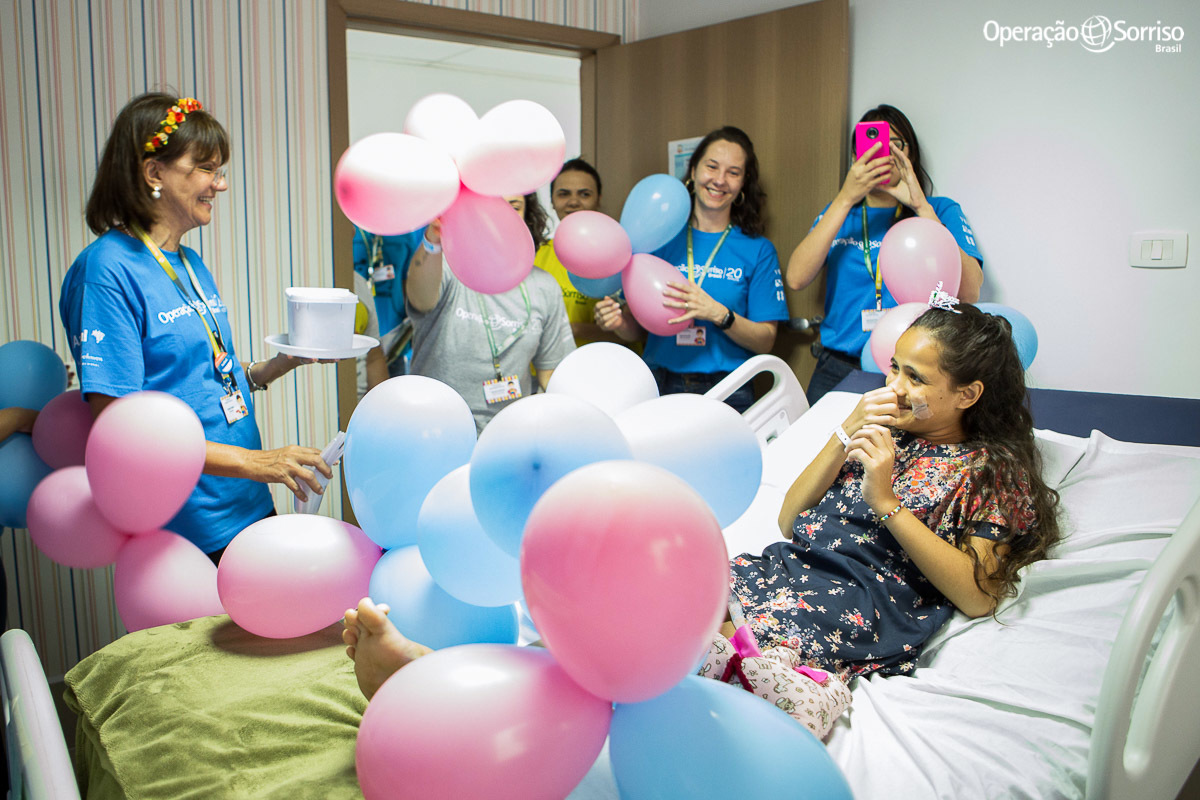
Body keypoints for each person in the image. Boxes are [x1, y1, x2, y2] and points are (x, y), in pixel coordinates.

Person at [342, 301, 1062, 743]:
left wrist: (887, 503)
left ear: (969, 393)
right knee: (632, 608)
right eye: (894, 367)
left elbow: (977, 594)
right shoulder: (879, 430)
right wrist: (842, 435)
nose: (892, 387)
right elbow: (791, 517)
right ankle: (469, 683)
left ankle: (453, 693)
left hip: (848, 609)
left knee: (685, 661)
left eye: (915, 378)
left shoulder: (991, 471)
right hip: (776, 571)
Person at [59, 93, 333, 563]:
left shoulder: (188, 261)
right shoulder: (105, 271)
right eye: (206, 168)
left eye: (219, 170)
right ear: (154, 173)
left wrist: (275, 366)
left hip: (247, 499)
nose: (219, 184)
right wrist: (257, 462)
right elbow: (118, 429)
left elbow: (202, 376)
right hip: (189, 524)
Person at [787, 104, 985, 404]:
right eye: (874, 143)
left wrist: (920, 206)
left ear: (910, 154)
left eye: (896, 144)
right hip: (837, 366)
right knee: (824, 437)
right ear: (856, 156)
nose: (884, 153)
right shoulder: (839, 213)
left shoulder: (940, 210)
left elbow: (969, 292)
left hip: (915, 371)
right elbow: (796, 278)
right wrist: (846, 198)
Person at [594, 126, 789, 413]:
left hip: (729, 390)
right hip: (659, 384)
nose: (719, 180)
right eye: (712, 166)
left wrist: (719, 314)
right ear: (694, 170)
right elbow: (638, 330)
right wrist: (618, 323)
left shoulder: (758, 250)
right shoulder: (658, 239)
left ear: (744, 183)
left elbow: (765, 341)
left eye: (733, 172)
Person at [405, 193, 574, 432]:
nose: (502, 216)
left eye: (514, 207)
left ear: (527, 216)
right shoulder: (448, 268)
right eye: (493, 206)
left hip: (509, 434)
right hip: (436, 430)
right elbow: (420, 298)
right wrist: (433, 240)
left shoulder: (543, 286)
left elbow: (551, 372)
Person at [533, 159, 625, 347]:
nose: (573, 202)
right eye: (563, 194)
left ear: (598, 199)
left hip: (604, 361)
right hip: (546, 364)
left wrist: (575, 329)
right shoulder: (535, 254)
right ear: (552, 201)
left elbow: (637, 333)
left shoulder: (619, 255)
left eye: (584, 194)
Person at [352, 227, 424, 377]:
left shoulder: (403, 231)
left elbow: (409, 286)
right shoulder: (350, 229)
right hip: (360, 338)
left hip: (396, 342)